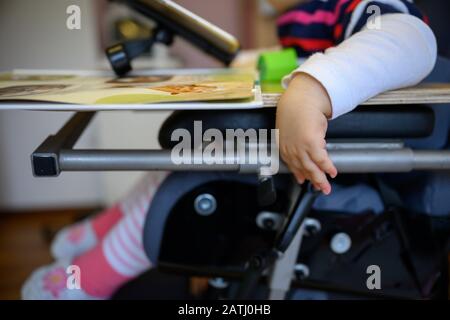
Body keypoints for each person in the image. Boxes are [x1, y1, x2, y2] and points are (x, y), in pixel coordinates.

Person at [22, 0, 437, 299]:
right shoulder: (299, 15)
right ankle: (96, 233)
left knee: (185, 175)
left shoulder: (344, 6)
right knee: (169, 166)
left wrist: (313, 89)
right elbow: (291, 59)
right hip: (303, 154)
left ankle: (86, 283)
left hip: (335, 167)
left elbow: (413, 38)